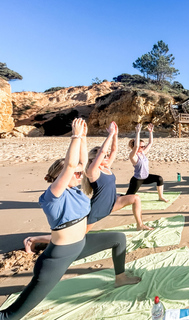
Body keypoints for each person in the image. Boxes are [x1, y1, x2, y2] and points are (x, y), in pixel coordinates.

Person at [1, 119, 140, 320]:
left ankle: (120, 278)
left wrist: (84, 138)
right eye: (74, 173)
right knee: (11, 315)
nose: (79, 173)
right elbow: (71, 165)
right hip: (56, 260)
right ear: (60, 178)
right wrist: (75, 137)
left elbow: (81, 164)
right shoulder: (52, 198)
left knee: (119, 238)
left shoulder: (79, 191)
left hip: (80, 245)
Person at [126, 123, 168, 202]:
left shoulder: (143, 153)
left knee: (159, 179)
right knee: (127, 197)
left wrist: (150, 132)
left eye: (143, 146)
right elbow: (136, 146)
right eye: (141, 146)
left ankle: (161, 197)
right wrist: (138, 132)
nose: (143, 147)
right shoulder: (133, 156)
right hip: (137, 180)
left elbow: (150, 143)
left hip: (146, 177)